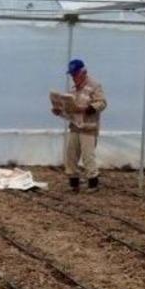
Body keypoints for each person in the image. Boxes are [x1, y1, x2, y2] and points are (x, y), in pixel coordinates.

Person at [52, 59, 107, 193]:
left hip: (88, 127)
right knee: (71, 154)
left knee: (88, 156)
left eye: (75, 74)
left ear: (83, 72)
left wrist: (91, 108)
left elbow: (102, 102)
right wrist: (60, 111)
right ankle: (73, 182)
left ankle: (93, 183)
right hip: (75, 126)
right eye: (72, 75)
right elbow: (71, 109)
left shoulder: (94, 85)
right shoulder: (73, 89)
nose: (73, 78)